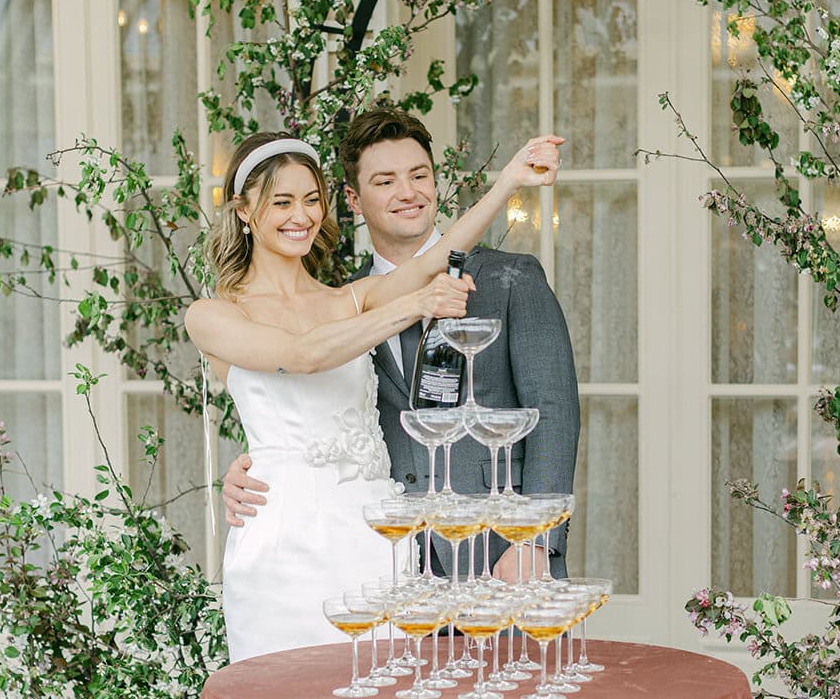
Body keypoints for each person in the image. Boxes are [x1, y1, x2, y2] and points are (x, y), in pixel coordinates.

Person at [186, 127, 562, 662]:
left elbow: (439, 257)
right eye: (282, 202)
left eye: (312, 199)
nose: (302, 215)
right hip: (281, 540)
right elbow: (304, 355)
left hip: (373, 531)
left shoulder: (350, 297)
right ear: (245, 212)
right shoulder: (212, 314)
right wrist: (416, 305)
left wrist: (508, 183)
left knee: (385, 697)